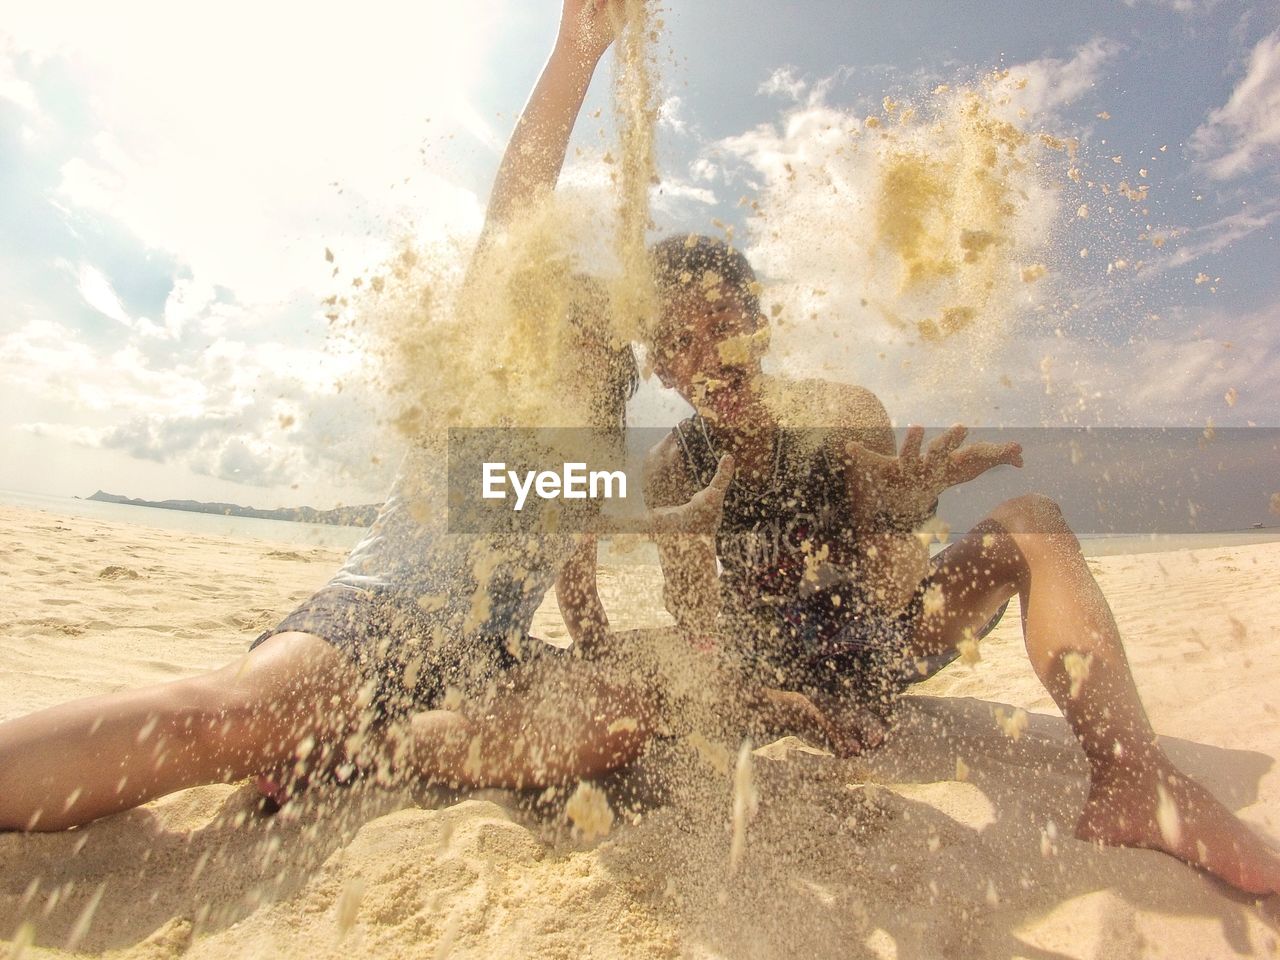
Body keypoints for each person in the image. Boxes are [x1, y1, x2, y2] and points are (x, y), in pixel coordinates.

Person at [0, 0, 656, 833]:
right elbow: (517, 213)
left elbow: (579, 587)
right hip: (376, 623)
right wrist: (577, 55)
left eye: (598, 340)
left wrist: (603, 659)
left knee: (627, 715)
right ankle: (323, 738)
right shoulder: (487, 384)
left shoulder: (586, 463)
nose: (580, 341)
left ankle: (367, 751)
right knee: (221, 721)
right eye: (567, 324)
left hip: (489, 664)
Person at [641, 233, 1280, 897]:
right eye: (681, 342)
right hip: (771, 675)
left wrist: (907, 510)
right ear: (661, 367)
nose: (709, 356)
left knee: (1033, 520)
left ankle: (1135, 780)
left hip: (880, 645)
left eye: (723, 326)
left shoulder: (841, 412)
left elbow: (889, 593)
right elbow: (696, 626)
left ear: (760, 327)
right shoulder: (669, 468)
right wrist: (770, 698)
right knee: (642, 672)